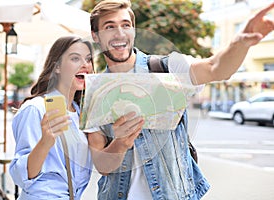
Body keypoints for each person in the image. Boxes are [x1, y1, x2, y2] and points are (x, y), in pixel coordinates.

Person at [86, 1, 274, 200]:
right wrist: (121, 142)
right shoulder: (95, 92)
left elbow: (215, 68)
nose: (120, 33)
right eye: (109, 26)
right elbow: (102, 166)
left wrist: (240, 43)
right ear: (96, 36)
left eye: (126, 25)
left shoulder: (167, 68)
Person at [9, 36, 96, 200]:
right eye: (75, 58)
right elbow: (21, 176)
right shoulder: (35, 109)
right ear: (56, 67)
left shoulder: (80, 113)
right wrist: (45, 142)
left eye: (89, 59)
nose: (86, 65)